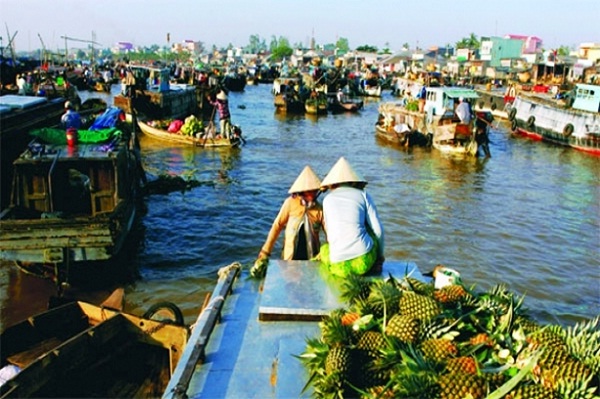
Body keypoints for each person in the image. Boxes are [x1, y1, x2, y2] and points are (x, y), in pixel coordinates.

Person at [318, 157, 385, 277]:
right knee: (369, 229)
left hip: (338, 267)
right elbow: (378, 230)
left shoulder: (327, 200)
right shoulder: (363, 195)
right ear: (354, 182)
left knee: (324, 249)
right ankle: (374, 265)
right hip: (364, 261)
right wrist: (379, 256)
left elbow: (329, 234)